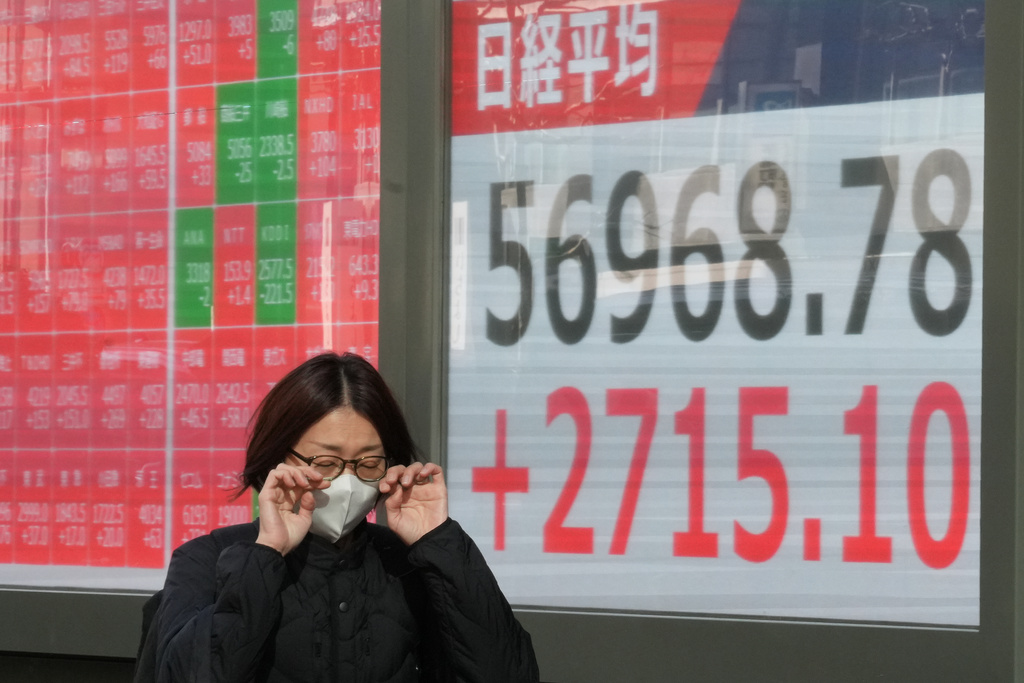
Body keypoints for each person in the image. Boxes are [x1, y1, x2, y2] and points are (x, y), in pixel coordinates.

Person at [135, 352, 539, 683]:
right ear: (277, 458)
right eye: (326, 462)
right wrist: (268, 553)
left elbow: (508, 671)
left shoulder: (410, 563)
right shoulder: (208, 559)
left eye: (367, 462)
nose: (347, 482)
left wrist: (438, 540)